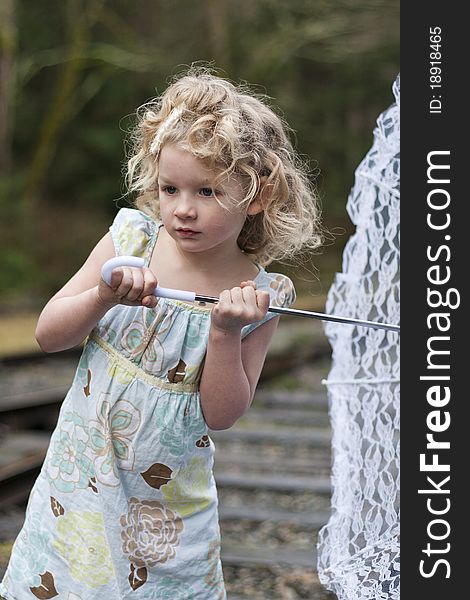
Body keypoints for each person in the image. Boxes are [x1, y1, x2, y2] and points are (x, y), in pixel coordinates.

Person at [0, 67, 322, 600]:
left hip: (166, 509)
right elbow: (47, 335)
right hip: (79, 483)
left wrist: (223, 334)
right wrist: (103, 296)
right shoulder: (130, 239)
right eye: (169, 188)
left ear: (258, 195)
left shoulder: (258, 294)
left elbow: (222, 414)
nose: (182, 208)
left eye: (207, 191)